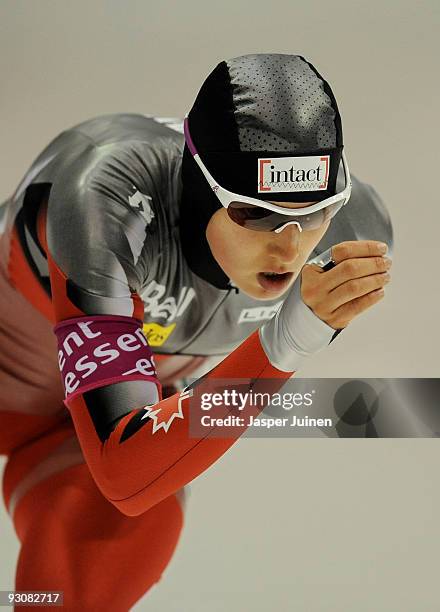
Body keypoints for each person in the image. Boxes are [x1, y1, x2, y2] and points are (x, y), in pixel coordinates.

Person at [0, 53, 393, 610]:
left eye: (315, 212)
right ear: (199, 190)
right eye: (255, 215)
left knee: (116, 544)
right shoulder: (107, 197)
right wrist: (287, 343)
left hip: (69, 435)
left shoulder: (354, 233)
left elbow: (134, 475)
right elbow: (122, 464)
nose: (290, 246)